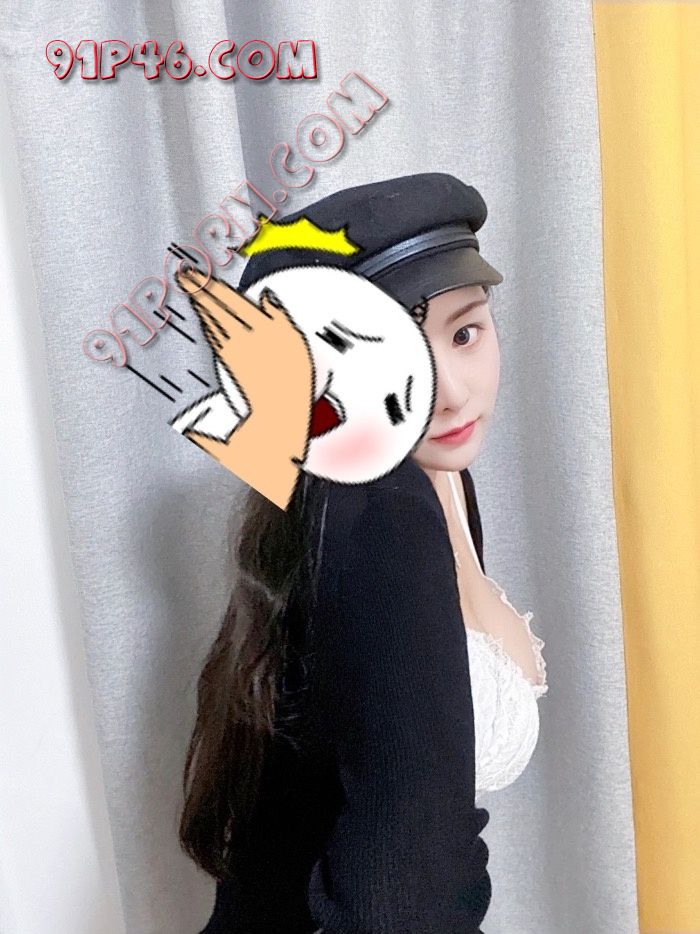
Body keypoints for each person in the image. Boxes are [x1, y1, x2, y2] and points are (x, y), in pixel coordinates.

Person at [178, 173, 548, 933]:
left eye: (465, 333)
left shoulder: (441, 480)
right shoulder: (382, 508)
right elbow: (401, 895)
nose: (451, 393)